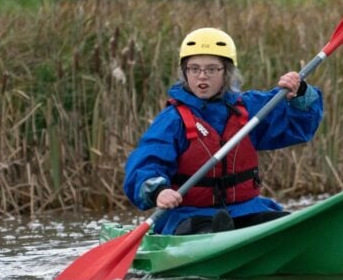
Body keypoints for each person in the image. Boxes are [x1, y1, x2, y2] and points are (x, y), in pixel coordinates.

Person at [123, 27, 323, 235]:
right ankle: (219, 238)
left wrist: (300, 93)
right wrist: (158, 191)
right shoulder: (173, 120)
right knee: (205, 229)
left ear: (226, 72)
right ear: (185, 72)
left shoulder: (249, 108)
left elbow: (299, 127)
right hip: (189, 214)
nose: (202, 76)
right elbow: (146, 162)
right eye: (194, 69)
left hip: (246, 208)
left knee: (282, 224)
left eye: (211, 69)